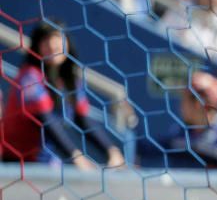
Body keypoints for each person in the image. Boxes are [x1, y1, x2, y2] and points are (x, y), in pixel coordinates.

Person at [1, 23, 124, 169]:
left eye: (57, 39)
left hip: (47, 160)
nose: (53, 46)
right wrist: (77, 157)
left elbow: (83, 118)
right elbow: (46, 120)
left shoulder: (68, 79)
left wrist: (111, 150)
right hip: (19, 162)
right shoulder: (29, 77)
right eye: (46, 41)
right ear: (36, 47)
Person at [145, 71, 217, 169]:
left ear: (198, 102)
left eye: (184, 99)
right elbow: (148, 149)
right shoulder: (179, 133)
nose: (180, 106)